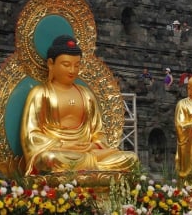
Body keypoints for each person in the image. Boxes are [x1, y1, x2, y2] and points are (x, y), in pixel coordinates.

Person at [20, 35, 137, 176]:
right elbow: (30, 135)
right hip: (60, 152)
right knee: (49, 159)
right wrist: (63, 145)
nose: (72, 71)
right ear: (51, 64)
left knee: (131, 158)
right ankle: (93, 167)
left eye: (77, 65)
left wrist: (93, 145)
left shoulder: (86, 94)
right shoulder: (40, 93)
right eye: (66, 65)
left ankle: (87, 166)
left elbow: (98, 132)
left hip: (87, 150)